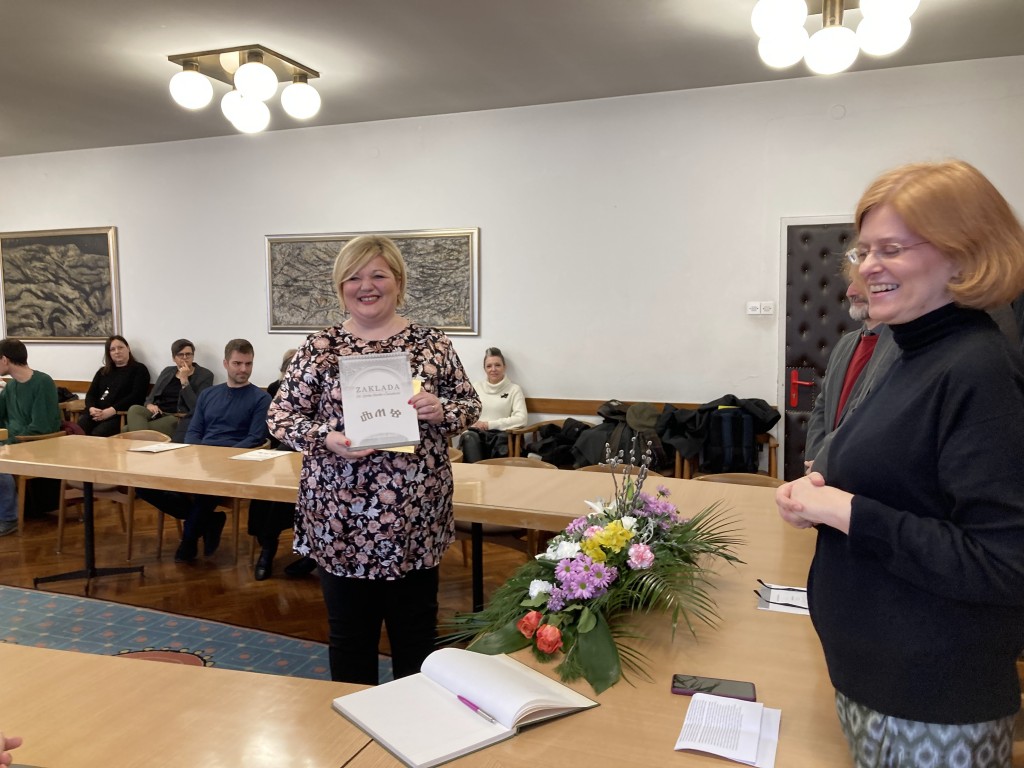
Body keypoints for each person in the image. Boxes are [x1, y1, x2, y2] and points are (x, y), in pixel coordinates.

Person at [776, 160, 1024, 766]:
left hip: (930, 702)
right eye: (864, 251)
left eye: (892, 249)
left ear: (964, 255)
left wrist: (847, 510)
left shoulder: (978, 368)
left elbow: (1004, 564)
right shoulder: (912, 353)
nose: (867, 267)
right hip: (878, 684)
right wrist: (822, 497)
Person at [267, 234, 480, 684]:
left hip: (414, 518)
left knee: (416, 639)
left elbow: (470, 405)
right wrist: (327, 437)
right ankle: (354, 721)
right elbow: (280, 416)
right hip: (341, 521)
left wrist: (443, 410)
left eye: (378, 275)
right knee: (350, 639)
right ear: (340, 287)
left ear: (398, 282)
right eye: (353, 277)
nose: (366, 286)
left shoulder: (432, 344)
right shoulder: (319, 347)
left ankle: (415, 720)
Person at [137, 339, 270, 562]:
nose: (243, 369)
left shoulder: (261, 398)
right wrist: (196, 453)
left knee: (207, 488)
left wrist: (221, 457)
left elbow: (255, 438)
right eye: (237, 363)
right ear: (225, 363)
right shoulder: (209, 395)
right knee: (144, 484)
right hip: (201, 457)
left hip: (234, 462)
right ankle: (210, 521)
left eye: (248, 364)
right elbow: (194, 430)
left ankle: (188, 541)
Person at [803, 263, 897, 477]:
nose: (850, 291)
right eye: (851, 282)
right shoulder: (845, 344)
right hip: (823, 475)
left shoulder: (902, 346)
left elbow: (873, 420)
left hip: (865, 477)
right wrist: (816, 462)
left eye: (861, 283)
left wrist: (828, 463)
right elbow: (822, 408)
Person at [248, 348, 315, 581]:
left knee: (294, 491)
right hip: (285, 449)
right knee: (264, 489)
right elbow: (274, 427)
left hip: (318, 451)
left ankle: (310, 555)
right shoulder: (276, 389)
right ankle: (267, 546)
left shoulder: (322, 389)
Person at [0, 337, 61, 536]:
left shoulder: (42, 382)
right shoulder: (11, 387)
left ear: (5, 360)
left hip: (35, 445)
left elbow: (41, 427)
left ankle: (8, 517)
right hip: (14, 442)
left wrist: (8, 442)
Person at [125, 338, 214, 440]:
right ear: (173, 358)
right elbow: (151, 396)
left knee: (126, 429)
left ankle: (141, 443)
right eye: (180, 355)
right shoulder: (167, 371)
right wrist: (149, 405)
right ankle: (145, 444)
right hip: (159, 414)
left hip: (178, 417)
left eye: (188, 354)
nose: (185, 358)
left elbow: (196, 406)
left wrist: (184, 379)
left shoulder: (205, 375)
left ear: (193, 356)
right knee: (134, 409)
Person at [458, 346, 527, 463]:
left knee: (502, 443)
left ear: (504, 367)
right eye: (489, 366)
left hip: (501, 436)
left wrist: (488, 424)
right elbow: (466, 414)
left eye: (497, 365)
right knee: (469, 437)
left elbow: (521, 419)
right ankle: (477, 473)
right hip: (476, 434)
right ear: (484, 369)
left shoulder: (514, 389)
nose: (493, 369)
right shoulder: (476, 387)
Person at [77, 335, 150, 436]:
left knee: (98, 433)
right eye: (112, 349)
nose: (117, 352)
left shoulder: (139, 370)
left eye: (120, 347)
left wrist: (111, 411)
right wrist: (91, 408)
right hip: (97, 413)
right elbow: (91, 394)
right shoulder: (102, 372)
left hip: (120, 414)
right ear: (109, 353)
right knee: (79, 428)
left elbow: (136, 397)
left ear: (128, 348)